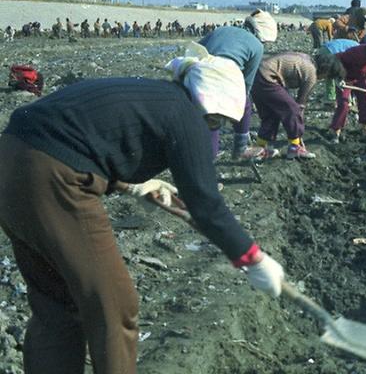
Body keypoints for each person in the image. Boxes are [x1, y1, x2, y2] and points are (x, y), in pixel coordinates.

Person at [0, 54, 285, 373]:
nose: (214, 127)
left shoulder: (156, 95)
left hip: (11, 160)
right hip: (53, 178)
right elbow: (206, 204)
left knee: (57, 307)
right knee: (116, 305)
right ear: (211, 102)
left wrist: (131, 183)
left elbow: (92, 133)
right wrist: (252, 258)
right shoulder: (184, 113)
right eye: (216, 120)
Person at [198, 9, 276, 160]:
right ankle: (240, 148)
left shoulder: (221, 30)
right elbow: (246, 82)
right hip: (219, 79)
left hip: (195, 73)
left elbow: (196, 48)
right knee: (235, 107)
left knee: (207, 117)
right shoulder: (257, 46)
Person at [250, 52, 345, 159]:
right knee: (293, 110)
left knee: (271, 115)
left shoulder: (305, 58)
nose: (324, 79)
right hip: (268, 77)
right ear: (326, 70)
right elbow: (300, 105)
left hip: (255, 74)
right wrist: (297, 134)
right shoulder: (311, 73)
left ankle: (259, 149)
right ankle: (295, 149)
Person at [330, 35, 366, 143]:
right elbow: (338, 59)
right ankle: (335, 132)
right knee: (343, 104)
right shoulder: (358, 51)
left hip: (361, 77)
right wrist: (339, 76)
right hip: (345, 78)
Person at [317, 37, 358, 103]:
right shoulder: (359, 51)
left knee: (329, 75)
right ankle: (333, 98)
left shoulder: (356, 45)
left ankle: (330, 96)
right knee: (332, 74)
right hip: (332, 51)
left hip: (325, 48)